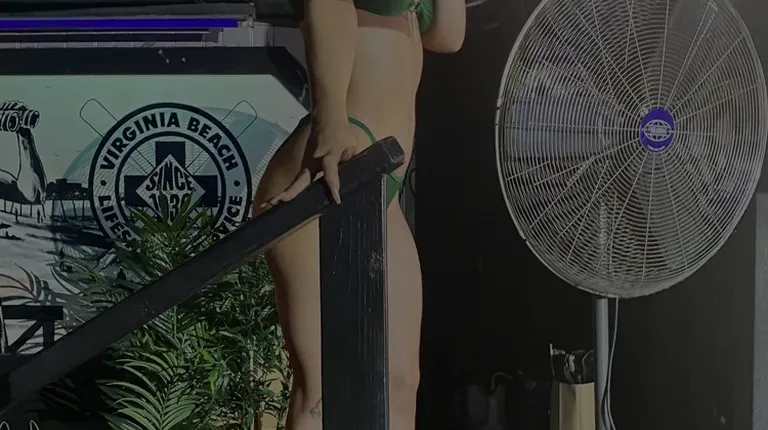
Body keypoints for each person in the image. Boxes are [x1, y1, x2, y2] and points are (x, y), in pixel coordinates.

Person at [252, 1, 466, 429]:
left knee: (399, 383)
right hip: (335, 161)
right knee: (321, 389)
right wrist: (330, 118)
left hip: (378, 185)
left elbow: (447, 36)